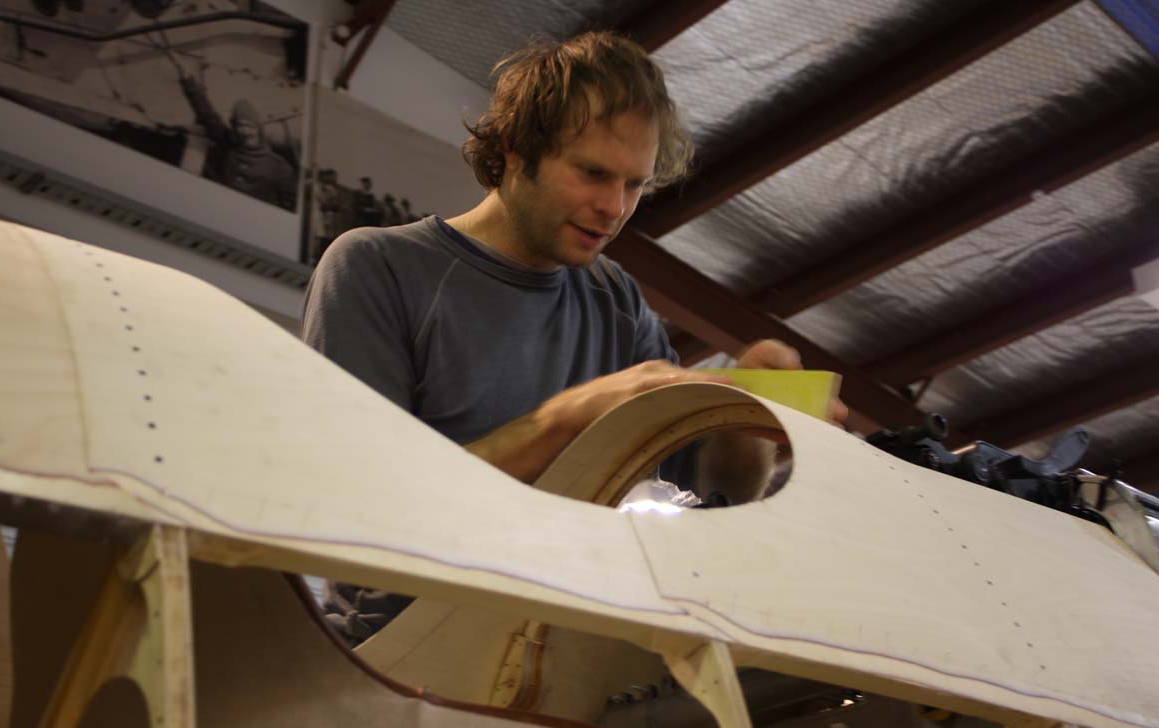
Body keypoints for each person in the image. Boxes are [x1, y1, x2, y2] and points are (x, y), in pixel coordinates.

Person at [301, 32, 842, 639]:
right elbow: (361, 516)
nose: (614, 207)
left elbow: (710, 500)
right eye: (592, 173)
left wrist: (746, 425)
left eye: (634, 184)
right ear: (514, 149)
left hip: (561, 647)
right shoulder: (378, 268)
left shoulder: (616, 300)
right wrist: (565, 421)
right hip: (398, 650)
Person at [179, 75, 297, 211]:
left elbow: (290, 204)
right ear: (235, 128)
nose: (245, 132)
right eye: (240, 126)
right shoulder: (229, 144)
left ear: (259, 129)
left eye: (250, 126)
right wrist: (189, 83)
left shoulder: (278, 166)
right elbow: (208, 116)